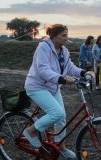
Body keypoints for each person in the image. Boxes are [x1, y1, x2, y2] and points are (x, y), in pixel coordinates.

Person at [24, 24, 93, 159]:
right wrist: (61, 79)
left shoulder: (64, 51)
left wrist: (85, 73)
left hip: (52, 87)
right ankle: (31, 131)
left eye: (67, 35)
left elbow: (71, 67)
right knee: (57, 113)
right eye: (63, 35)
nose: (66, 38)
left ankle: (61, 147)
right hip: (37, 87)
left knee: (62, 117)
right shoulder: (44, 47)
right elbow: (43, 70)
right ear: (54, 36)